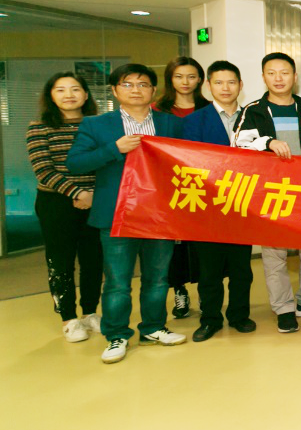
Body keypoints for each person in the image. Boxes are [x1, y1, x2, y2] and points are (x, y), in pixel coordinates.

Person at [67, 63, 186, 363]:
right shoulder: (96, 125)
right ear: (115, 90)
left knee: (157, 278)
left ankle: (153, 328)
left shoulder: (170, 123)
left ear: (153, 90)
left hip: (159, 214)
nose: (136, 90)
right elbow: (75, 163)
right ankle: (117, 335)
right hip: (116, 214)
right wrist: (114, 148)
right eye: (128, 84)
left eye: (143, 84)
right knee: (118, 281)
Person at [232, 52, 301, 333]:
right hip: (271, 193)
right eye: (272, 73)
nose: (278, 78)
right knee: (274, 256)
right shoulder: (253, 110)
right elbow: (238, 143)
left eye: (284, 73)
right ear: (263, 77)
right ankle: (284, 309)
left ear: (295, 77)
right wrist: (267, 142)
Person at [180, 61, 256, 342]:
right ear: (208, 86)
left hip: (244, 204)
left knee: (241, 268)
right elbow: (189, 162)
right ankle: (210, 318)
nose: (226, 88)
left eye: (231, 82)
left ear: (240, 85)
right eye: (219, 82)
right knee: (209, 270)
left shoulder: (253, 117)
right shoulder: (194, 121)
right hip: (208, 206)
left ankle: (239, 315)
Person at [27, 72, 103, 344]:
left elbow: (107, 162)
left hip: (96, 200)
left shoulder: (98, 125)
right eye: (60, 90)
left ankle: (90, 312)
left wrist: (93, 195)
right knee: (61, 261)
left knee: (94, 259)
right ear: (51, 96)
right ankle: (69, 319)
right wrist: (78, 192)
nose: (69, 95)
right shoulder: (39, 127)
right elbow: (43, 170)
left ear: (86, 94)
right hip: (56, 203)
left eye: (75, 89)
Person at [153, 57, 210, 320]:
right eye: (178, 76)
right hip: (169, 186)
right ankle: (179, 290)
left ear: (200, 80)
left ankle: (206, 292)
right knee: (174, 243)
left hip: (204, 186)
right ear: (170, 79)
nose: (185, 82)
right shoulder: (158, 110)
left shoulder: (209, 109)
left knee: (203, 243)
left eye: (191, 76)